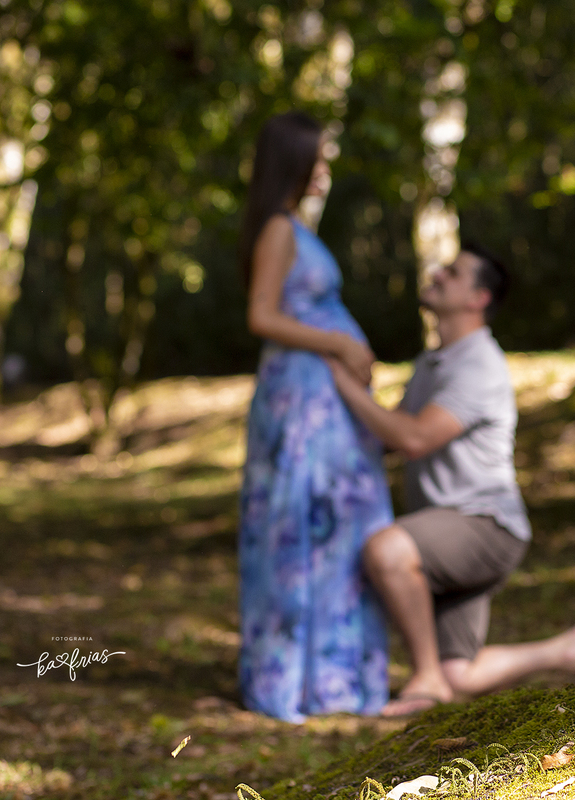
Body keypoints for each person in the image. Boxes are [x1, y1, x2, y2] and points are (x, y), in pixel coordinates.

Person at [327, 242, 575, 717]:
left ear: (478, 298)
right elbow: (392, 434)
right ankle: (568, 649)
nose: (437, 274)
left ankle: (424, 678)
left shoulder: (479, 364)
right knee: (461, 675)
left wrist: (346, 386)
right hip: (448, 529)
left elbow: (415, 438)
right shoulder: (434, 363)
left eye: (453, 273)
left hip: (484, 526)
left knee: (387, 549)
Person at [236, 111, 392, 721]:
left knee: (335, 525)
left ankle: (333, 677)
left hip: (320, 400)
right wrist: (338, 344)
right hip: (299, 399)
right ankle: (295, 680)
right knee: (302, 523)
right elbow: (261, 316)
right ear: (293, 164)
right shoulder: (277, 229)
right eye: (318, 159)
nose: (325, 170)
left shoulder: (295, 227)